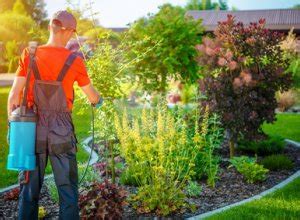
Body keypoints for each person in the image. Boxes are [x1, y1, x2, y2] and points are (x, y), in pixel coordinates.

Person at [7, 10, 101, 219]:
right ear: (69, 32)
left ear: (50, 27)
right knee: (67, 192)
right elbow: (92, 96)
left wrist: (13, 127)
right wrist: (98, 101)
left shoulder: (29, 54)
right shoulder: (75, 60)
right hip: (62, 131)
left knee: (29, 191)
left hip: (32, 131)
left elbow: (14, 95)